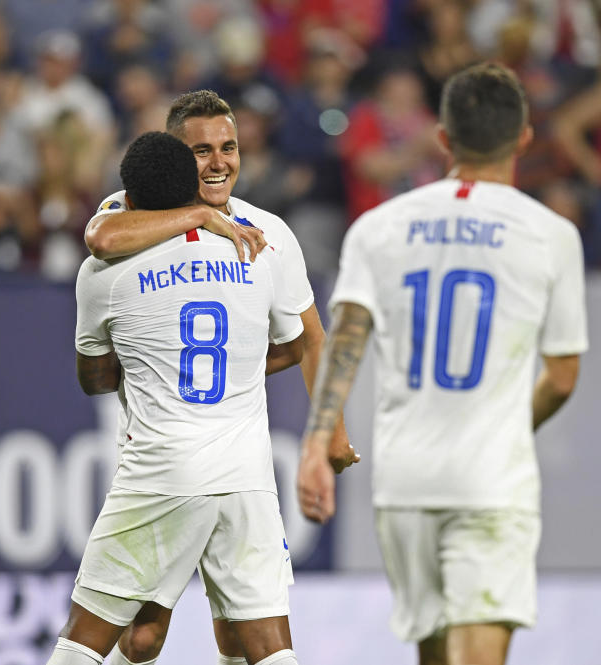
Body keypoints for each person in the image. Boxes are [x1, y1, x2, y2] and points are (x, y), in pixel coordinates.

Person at [297, 63, 587, 665]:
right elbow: (562, 377)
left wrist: (317, 440)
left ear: (444, 140)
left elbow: (347, 337)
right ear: (525, 137)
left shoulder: (378, 228)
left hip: (405, 481)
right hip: (490, 479)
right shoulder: (549, 234)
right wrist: (511, 426)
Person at [84, 89, 356, 665]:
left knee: (242, 636)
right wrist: (206, 216)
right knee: (143, 636)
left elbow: (307, 337)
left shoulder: (269, 234)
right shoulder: (127, 212)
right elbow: (101, 238)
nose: (219, 162)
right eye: (201, 150)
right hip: (165, 458)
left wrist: (329, 428)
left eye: (228, 147)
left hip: (236, 463)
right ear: (173, 157)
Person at [51, 129, 307, 665]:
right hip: (246, 475)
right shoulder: (254, 249)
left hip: (162, 469)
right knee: (266, 646)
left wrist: (153, 366)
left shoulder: (104, 273)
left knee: (84, 640)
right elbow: (292, 344)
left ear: (131, 200)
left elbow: (95, 380)